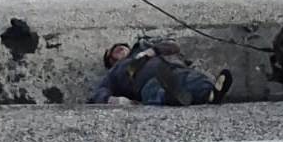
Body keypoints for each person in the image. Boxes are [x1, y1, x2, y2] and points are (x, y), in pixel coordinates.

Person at [88, 37, 233, 106]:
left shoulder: (145, 45)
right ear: (111, 63)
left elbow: (173, 46)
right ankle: (173, 97)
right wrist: (117, 100)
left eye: (117, 47)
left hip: (174, 69)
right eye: (112, 55)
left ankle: (211, 94)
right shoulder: (115, 72)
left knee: (194, 80)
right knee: (156, 90)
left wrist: (152, 51)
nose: (115, 50)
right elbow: (98, 93)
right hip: (147, 82)